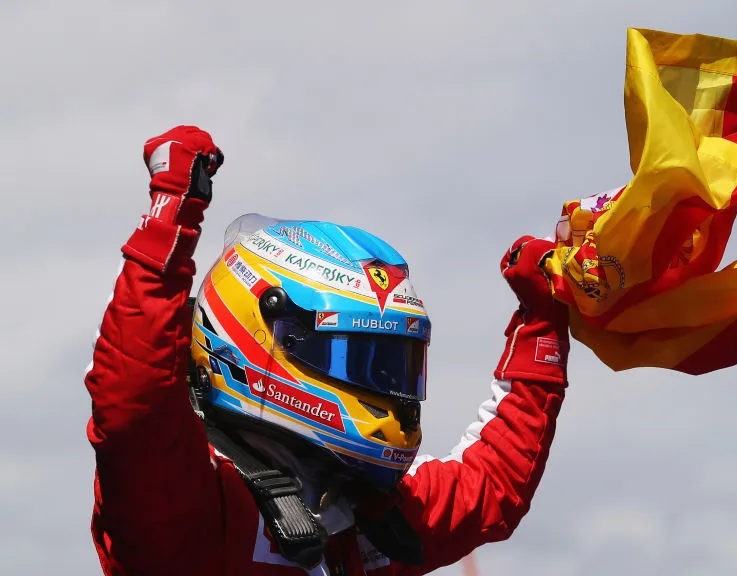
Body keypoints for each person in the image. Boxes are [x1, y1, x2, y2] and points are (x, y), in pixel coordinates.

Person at [85, 126, 571, 575]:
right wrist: (169, 218)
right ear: (262, 337)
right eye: (355, 358)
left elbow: (493, 486)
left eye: (392, 365)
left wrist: (544, 316)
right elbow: (131, 400)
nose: (386, 388)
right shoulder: (188, 507)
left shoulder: (362, 515)